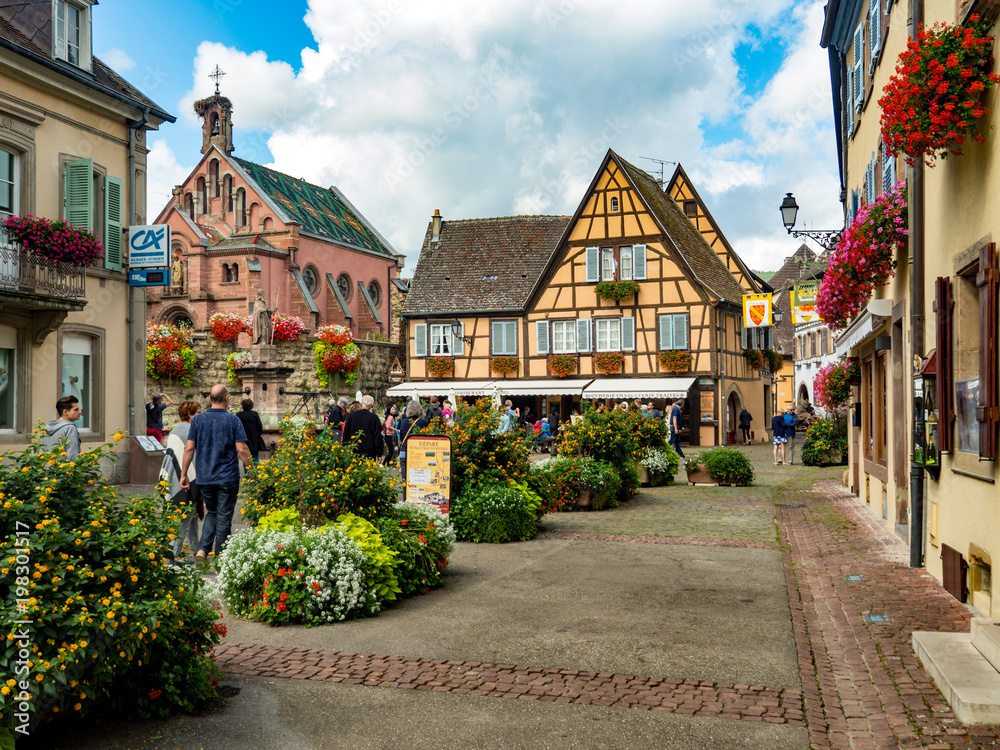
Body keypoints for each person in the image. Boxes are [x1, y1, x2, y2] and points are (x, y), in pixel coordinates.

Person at [181, 385, 252, 564]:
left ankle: (202, 551)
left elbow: (189, 448)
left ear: (210, 399)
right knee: (224, 516)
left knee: (212, 512)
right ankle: (221, 558)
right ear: (227, 397)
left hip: (205, 476)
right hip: (227, 477)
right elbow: (242, 449)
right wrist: (253, 470)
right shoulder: (233, 420)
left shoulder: (198, 420)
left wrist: (184, 474)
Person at [164, 400, 202, 561]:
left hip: (174, 479)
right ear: (191, 414)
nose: (200, 415)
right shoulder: (191, 430)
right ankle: (173, 555)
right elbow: (194, 455)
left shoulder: (174, 431)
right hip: (187, 481)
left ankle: (196, 549)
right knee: (184, 520)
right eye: (198, 412)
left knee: (191, 517)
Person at [342, 394, 385, 460]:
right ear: (371, 406)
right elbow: (377, 436)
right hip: (369, 452)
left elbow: (346, 433)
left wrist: (344, 447)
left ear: (361, 404)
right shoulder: (374, 418)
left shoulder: (351, 416)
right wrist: (379, 453)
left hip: (354, 450)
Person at [398, 401, 428, 478]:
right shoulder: (423, 422)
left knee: (405, 479)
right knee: (416, 479)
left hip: (404, 451)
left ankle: (405, 490)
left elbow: (402, 437)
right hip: (418, 453)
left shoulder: (403, 422)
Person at [236, 398, 265, 463]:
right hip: (254, 438)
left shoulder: (239, 415)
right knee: (255, 457)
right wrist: (259, 434)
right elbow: (259, 426)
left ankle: (247, 472)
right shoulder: (254, 414)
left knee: (246, 458)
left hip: (244, 438)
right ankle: (256, 472)